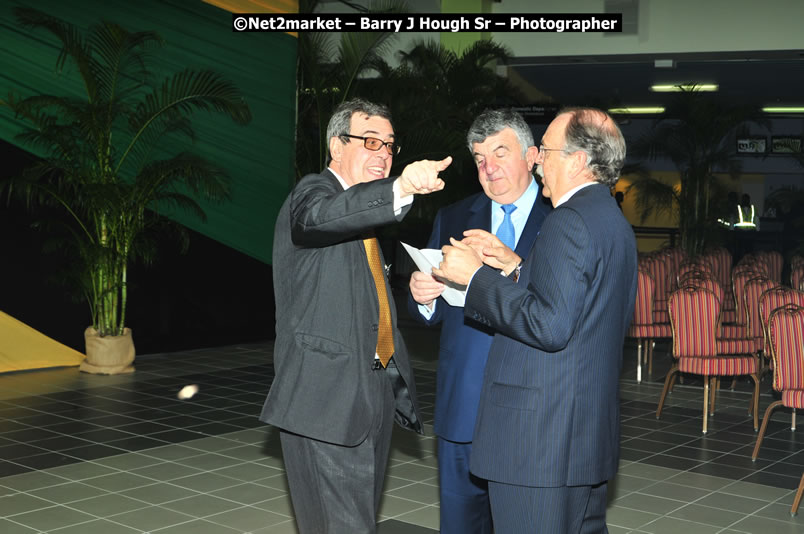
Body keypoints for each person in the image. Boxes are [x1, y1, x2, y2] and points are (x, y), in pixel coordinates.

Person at [432, 107, 637, 533]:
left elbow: (550, 325)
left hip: (540, 443)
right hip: (581, 439)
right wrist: (516, 268)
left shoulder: (567, 221)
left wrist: (476, 277)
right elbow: (574, 304)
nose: (539, 159)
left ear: (577, 161)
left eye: (546, 151)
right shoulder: (609, 220)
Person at [260, 98, 451, 534]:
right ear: (336, 146)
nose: (383, 153)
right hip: (323, 403)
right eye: (370, 141)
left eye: (389, 145)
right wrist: (401, 187)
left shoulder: (363, 224)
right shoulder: (312, 195)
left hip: (370, 396)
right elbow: (322, 217)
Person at [407, 108, 551, 534]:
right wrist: (422, 297)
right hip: (463, 406)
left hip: (533, 409)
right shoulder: (454, 217)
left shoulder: (562, 220)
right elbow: (429, 306)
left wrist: (516, 268)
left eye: (500, 153)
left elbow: (562, 308)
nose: (489, 168)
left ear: (531, 156)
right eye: (479, 158)